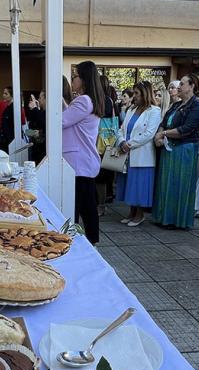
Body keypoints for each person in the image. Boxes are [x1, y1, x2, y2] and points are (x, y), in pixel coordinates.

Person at [153, 74, 199, 230]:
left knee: (179, 184)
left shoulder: (197, 105)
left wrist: (163, 134)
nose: (179, 87)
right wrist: (159, 136)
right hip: (170, 148)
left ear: (192, 86)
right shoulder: (176, 105)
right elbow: (164, 122)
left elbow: (187, 129)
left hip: (185, 149)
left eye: (182, 84)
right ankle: (164, 218)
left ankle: (177, 220)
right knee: (166, 184)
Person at [63, 61, 105, 245]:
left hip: (78, 162)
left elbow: (61, 121)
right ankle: (91, 243)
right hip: (83, 161)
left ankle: (78, 244)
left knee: (78, 208)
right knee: (87, 207)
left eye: (75, 76)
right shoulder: (87, 100)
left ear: (84, 78)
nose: (73, 80)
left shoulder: (83, 100)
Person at [115, 81, 161, 227]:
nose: (134, 96)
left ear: (145, 93)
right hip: (127, 153)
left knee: (140, 184)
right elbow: (122, 128)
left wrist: (130, 144)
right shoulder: (131, 109)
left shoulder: (154, 111)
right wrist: (122, 141)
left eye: (136, 93)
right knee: (129, 183)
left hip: (142, 154)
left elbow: (149, 133)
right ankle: (131, 212)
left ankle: (139, 214)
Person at [96, 76, 120, 216]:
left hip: (101, 142)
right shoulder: (111, 101)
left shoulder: (103, 101)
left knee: (100, 177)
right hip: (107, 142)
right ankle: (101, 203)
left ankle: (100, 205)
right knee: (103, 176)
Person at [26, 91, 46, 164]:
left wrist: (35, 109)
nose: (39, 100)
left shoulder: (48, 113)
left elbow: (44, 124)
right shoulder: (39, 112)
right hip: (35, 148)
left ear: (46, 99)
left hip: (43, 151)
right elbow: (28, 131)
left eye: (40, 98)